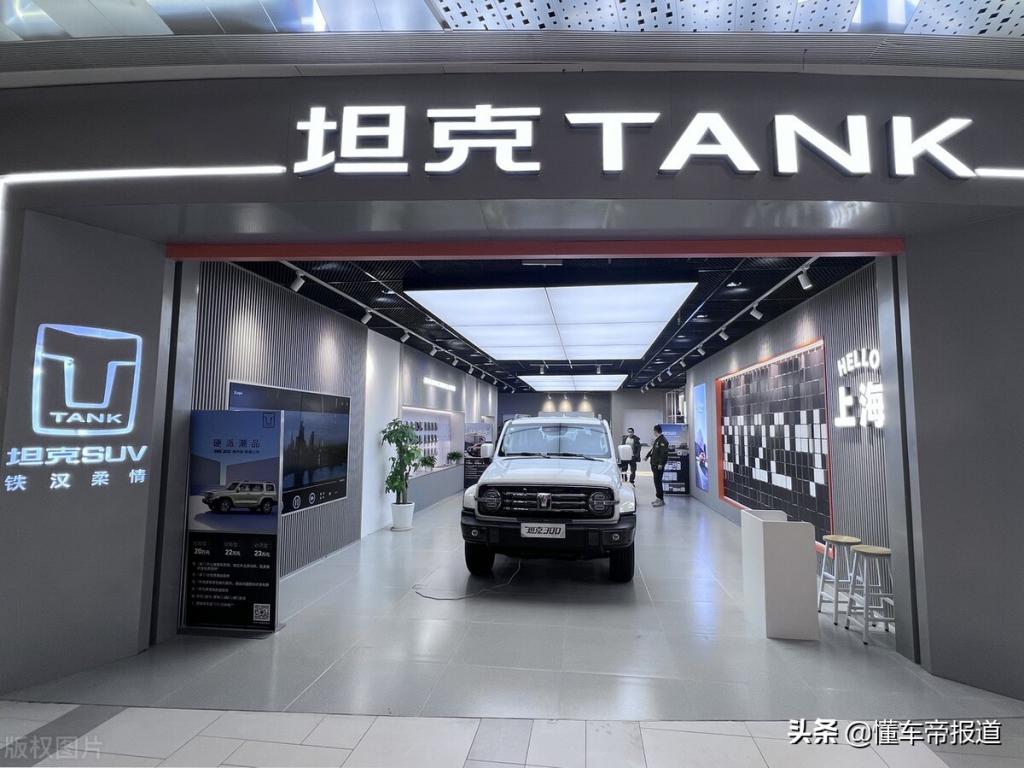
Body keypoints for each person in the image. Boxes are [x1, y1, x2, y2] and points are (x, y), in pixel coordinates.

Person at [645, 425, 670, 507]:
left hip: (658, 465)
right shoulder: (657, 440)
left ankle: (661, 500)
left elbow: (664, 454)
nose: (653, 433)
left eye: (654, 431)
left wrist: (661, 464)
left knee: (658, 482)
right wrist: (647, 456)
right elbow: (653, 450)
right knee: (656, 482)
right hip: (654, 464)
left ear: (655, 431)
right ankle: (658, 498)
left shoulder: (663, 441)